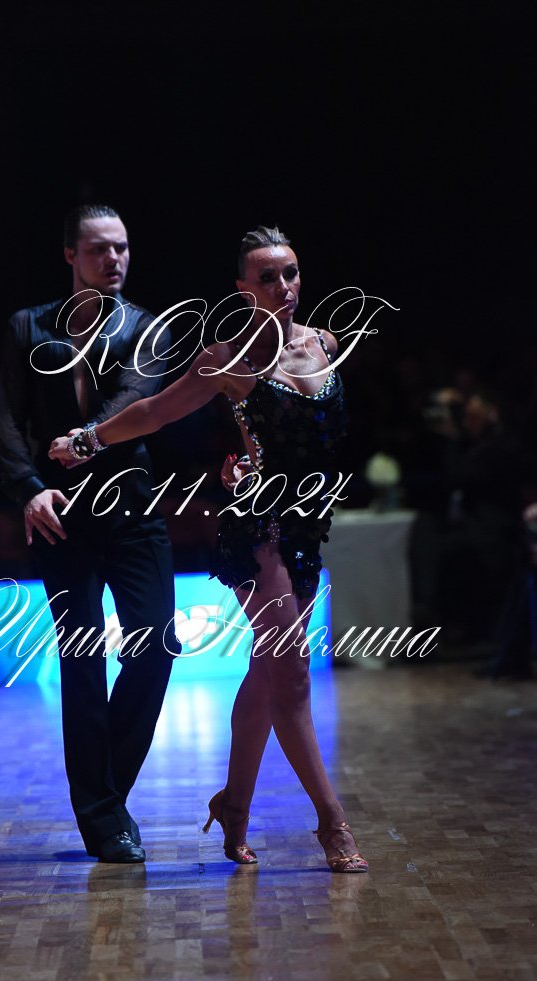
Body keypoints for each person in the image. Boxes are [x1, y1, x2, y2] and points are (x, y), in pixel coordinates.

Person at [50, 226, 368, 873]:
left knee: (267, 674)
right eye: (267, 277)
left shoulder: (326, 344)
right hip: (258, 530)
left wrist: (253, 458)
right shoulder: (226, 361)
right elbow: (154, 413)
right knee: (292, 675)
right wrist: (89, 439)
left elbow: (310, 441)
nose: (283, 287)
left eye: (290, 273)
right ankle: (332, 823)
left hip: (308, 529)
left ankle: (234, 805)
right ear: (243, 289)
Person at [0, 204, 177, 863]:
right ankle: (105, 818)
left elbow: (135, 398)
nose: (114, 259)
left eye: (122, 247)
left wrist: (87, 437)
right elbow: (6, 418)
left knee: (157, 646)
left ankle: (105, 797)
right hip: (60, 513)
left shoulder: (145, 326)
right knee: (82, 660)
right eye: (100, 248)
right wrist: (29, 487)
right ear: (70, 254)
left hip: (131, 507)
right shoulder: (28, 327)